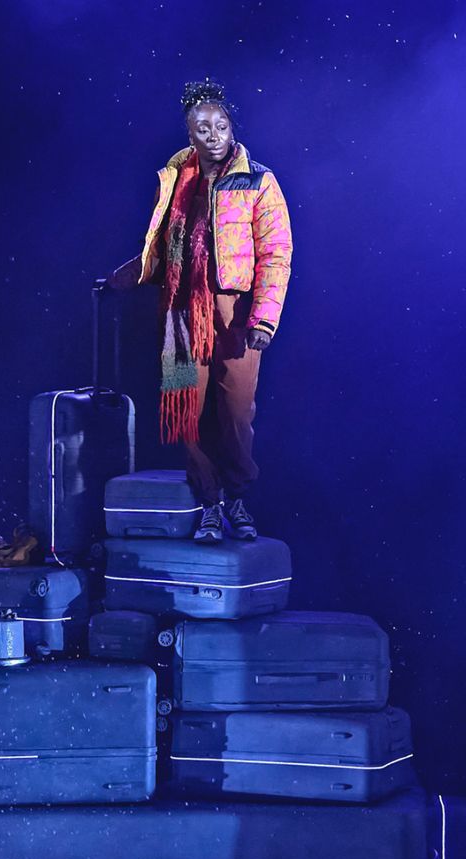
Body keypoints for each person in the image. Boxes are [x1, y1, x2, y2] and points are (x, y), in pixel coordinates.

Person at [134, 78, 293, 543]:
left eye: (220, 125)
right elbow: (161, 246)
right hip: (181, 314)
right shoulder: (176, 180)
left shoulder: (258, 180)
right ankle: (210, 504)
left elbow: (276, 253)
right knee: (187, 411)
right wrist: (133, 273)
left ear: (231, 128)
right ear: (190, 135)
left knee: (236, 413)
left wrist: (263, 318)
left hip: (234, 313)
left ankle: (238, 499)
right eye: (202, 128)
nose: (212, 134)